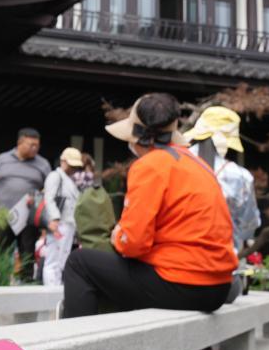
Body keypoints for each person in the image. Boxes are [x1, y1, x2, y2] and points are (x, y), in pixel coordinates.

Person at [61, 93, 236, 318]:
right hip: (218, 287)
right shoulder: (198, 164)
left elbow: (133, 244)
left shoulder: (150, 165)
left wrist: (117, 235)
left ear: (137, 137)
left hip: (182, 283)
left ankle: (78, 338)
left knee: (79, 262)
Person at [185, 106, 260, 255]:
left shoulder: (173, 162)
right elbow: (249, 224)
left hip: (176, 255)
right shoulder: (240, 176)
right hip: (221, 254)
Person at [0, 128, 51, 280]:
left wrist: (38, 198)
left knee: (27, 255)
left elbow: (50, 189)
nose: (35, 148)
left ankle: (27, 286)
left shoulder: (43, 164)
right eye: (31, 145)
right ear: (20, 142)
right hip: (3, 215)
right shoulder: (3, 159)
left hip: (28, 219)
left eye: (37, 145)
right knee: (0, 254)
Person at [40, 147, 83, 286]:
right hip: (58, 224)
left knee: (61, 260)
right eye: (71, 165)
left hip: (68, 224)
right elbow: (49, 198)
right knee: (53, 260)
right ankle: (51, 291)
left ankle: (57, 289)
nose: (73, 169)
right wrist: (54, 218)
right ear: (63, 161)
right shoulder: (55, 176)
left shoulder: (69, 180)